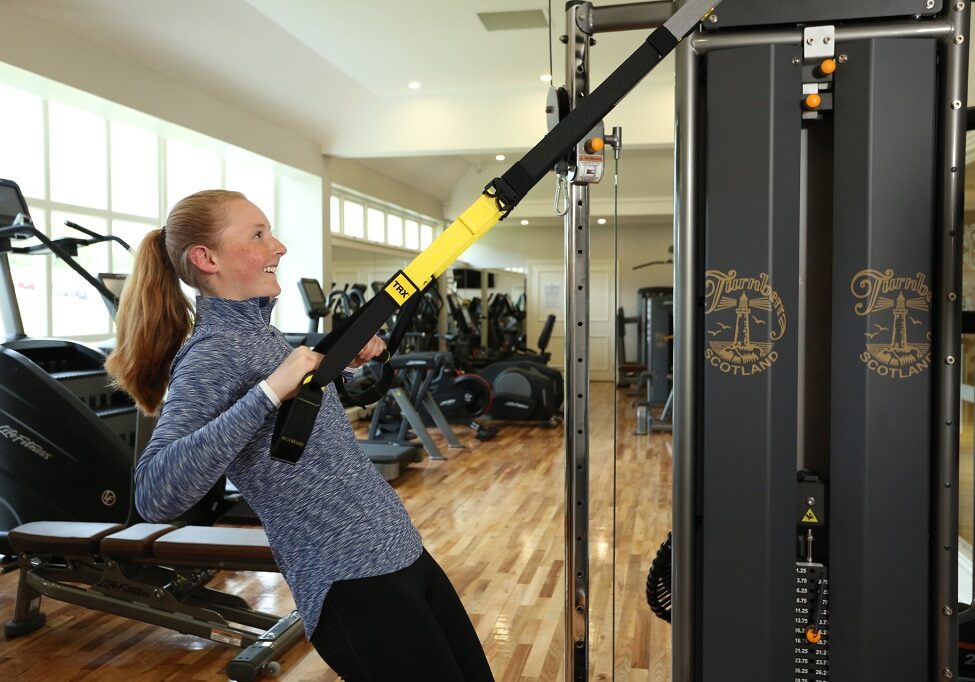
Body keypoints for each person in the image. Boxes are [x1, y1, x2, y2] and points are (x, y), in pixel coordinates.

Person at [105, 189, 494, 681]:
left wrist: (344, 371)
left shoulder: (265, 337)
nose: (279, 246)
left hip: (399, 552)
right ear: (207, 259)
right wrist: (268, 391)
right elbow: (155, 494)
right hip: (351, 582)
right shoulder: (211, 353)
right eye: (258, 234)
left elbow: (305, 433)